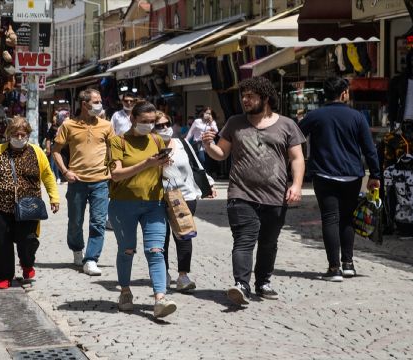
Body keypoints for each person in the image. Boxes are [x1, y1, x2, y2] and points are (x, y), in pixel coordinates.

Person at [202, 76, 305, 305]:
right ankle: (241, 284)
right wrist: (209, 146)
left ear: (265, 98)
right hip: (241, 193)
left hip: (275, 195)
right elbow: (222, 154)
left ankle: (263, 282)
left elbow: (297, 158)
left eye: (250, 96)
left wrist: (296, 184)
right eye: (243, 96)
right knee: (244, 238)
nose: (245, 100)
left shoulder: (287, 125)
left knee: (268, 242)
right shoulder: (234, 123)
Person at [299, 76, 381, 281]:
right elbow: (370, 149)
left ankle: (334, 268)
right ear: (344, 93)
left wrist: (300, 161)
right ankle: (348, 263)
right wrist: (376, 175)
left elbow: (294, 136)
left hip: (324, 174)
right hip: (352, 175)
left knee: (330, 218)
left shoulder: (315, 116)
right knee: (347, 219)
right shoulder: (357, 117)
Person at [0, 116, 60, 289]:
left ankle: (27, 264)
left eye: (23, 134)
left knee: (28, 240)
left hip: (29, 206)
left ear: (28, 135)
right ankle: (5, 276)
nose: (19, 138)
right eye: (16, 134)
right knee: (1, 241)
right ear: (8, 135)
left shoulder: (37, 152)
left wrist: (54, 197)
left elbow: (48, 175)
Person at [107, 101, 177, 318]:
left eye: (152, 122)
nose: (149, 125)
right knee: (127, 249)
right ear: (133, 119)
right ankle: (125, 291)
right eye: (144, 121)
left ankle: (160, 299)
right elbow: (116, 175)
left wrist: (164, 163)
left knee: (156, 251)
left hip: (153, 204)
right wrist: (146, 164)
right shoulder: (118, 142)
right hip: (122, 204)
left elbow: (160, 169)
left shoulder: (156, 139)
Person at [52, 89, 114, 276]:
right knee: (75, 222)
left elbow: (113, 150)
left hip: (101, 181)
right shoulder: (68, 125)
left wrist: (113, 170)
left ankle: (91, 259)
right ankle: (77, 249)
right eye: (96, 101)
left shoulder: (106, 125)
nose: (99, 104)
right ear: (84, 104)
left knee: (98, 222)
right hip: (77, 181)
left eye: (100, 101)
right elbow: (55, 150)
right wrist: (65, 171)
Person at [153, 111, 216, 292]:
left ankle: (183, 275)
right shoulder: (149, 147)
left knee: (184, 236)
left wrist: (208, 184)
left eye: (167, 124)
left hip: (185, 196)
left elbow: (196, 165)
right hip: (159, 198)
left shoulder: (182, 143)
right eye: (159, 126)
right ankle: (162, 273)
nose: (165, 128)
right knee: (161, 238)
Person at [45, 115, 62, 184]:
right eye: (53, 120)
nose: (54, 121)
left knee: (56, 163)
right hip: (54, 147)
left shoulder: (63, 126)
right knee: (53, 163)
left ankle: (57, 177)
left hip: (61, 148)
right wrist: (48, 148)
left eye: (55, 120)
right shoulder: (52, 128)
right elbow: (48, 138)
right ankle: (55, 177)